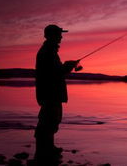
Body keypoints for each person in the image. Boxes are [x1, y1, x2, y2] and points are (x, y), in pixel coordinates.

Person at [34, 24, 79, 164]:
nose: (61, 36)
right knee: (48, 121)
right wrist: (68, 66)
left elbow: (56, 70)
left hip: (49, 92)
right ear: (51, 35)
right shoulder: (48, 51)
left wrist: (67, 65)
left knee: (51, 121)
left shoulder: (50, 51)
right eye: (59, 34)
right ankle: (43, 152)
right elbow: (54, 73)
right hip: (50, 93)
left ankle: (47, 148)